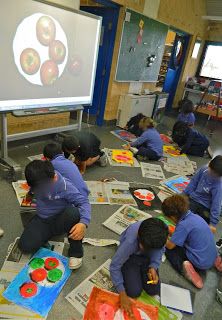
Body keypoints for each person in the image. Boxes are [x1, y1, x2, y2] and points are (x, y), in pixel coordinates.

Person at [18, 160, 91, 270]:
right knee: (25, 246)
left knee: (74, 213)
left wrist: (83, 223)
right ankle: (46, 235)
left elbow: (84, 202)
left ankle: (76, 253)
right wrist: (29, 195)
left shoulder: (66, 187)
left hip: (61, 218)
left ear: (54, 178)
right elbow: (32, 190)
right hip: (43, 220)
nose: (41, 189)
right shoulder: (37, 182)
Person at [110, 218, 168, 318]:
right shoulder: (130, 242)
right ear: (138, 235)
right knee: (133, 292)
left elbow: (159, 251)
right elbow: (114, 266)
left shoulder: (160, 236)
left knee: (154, 289)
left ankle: (142, 268)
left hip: (146, 257)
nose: (142, 247)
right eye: (141, 245)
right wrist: (122, 293)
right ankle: (134, 270)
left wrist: (153, 267)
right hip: (131, 257)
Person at [162, 194, 221, 289]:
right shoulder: (195, 217)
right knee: (193, 241)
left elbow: (170, 246)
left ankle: (185, 269)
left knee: (169, 251)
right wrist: (172, 232)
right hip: (211, 255)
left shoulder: (183, 225)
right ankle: (216, 260)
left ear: (172, 217)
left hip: (200, 262)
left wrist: (162, 237)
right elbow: (186, 234)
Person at [184, 155, 222, 233]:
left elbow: (216, 205)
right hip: (193, 199)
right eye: (211, 170)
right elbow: (193, 183)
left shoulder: (219, 185)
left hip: (206, 207)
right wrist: (184, 194)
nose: (211, 174)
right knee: (181, 215)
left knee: (198, 227)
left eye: (215, 174)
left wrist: (213, 224)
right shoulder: (204, 169)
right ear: (209, 164)